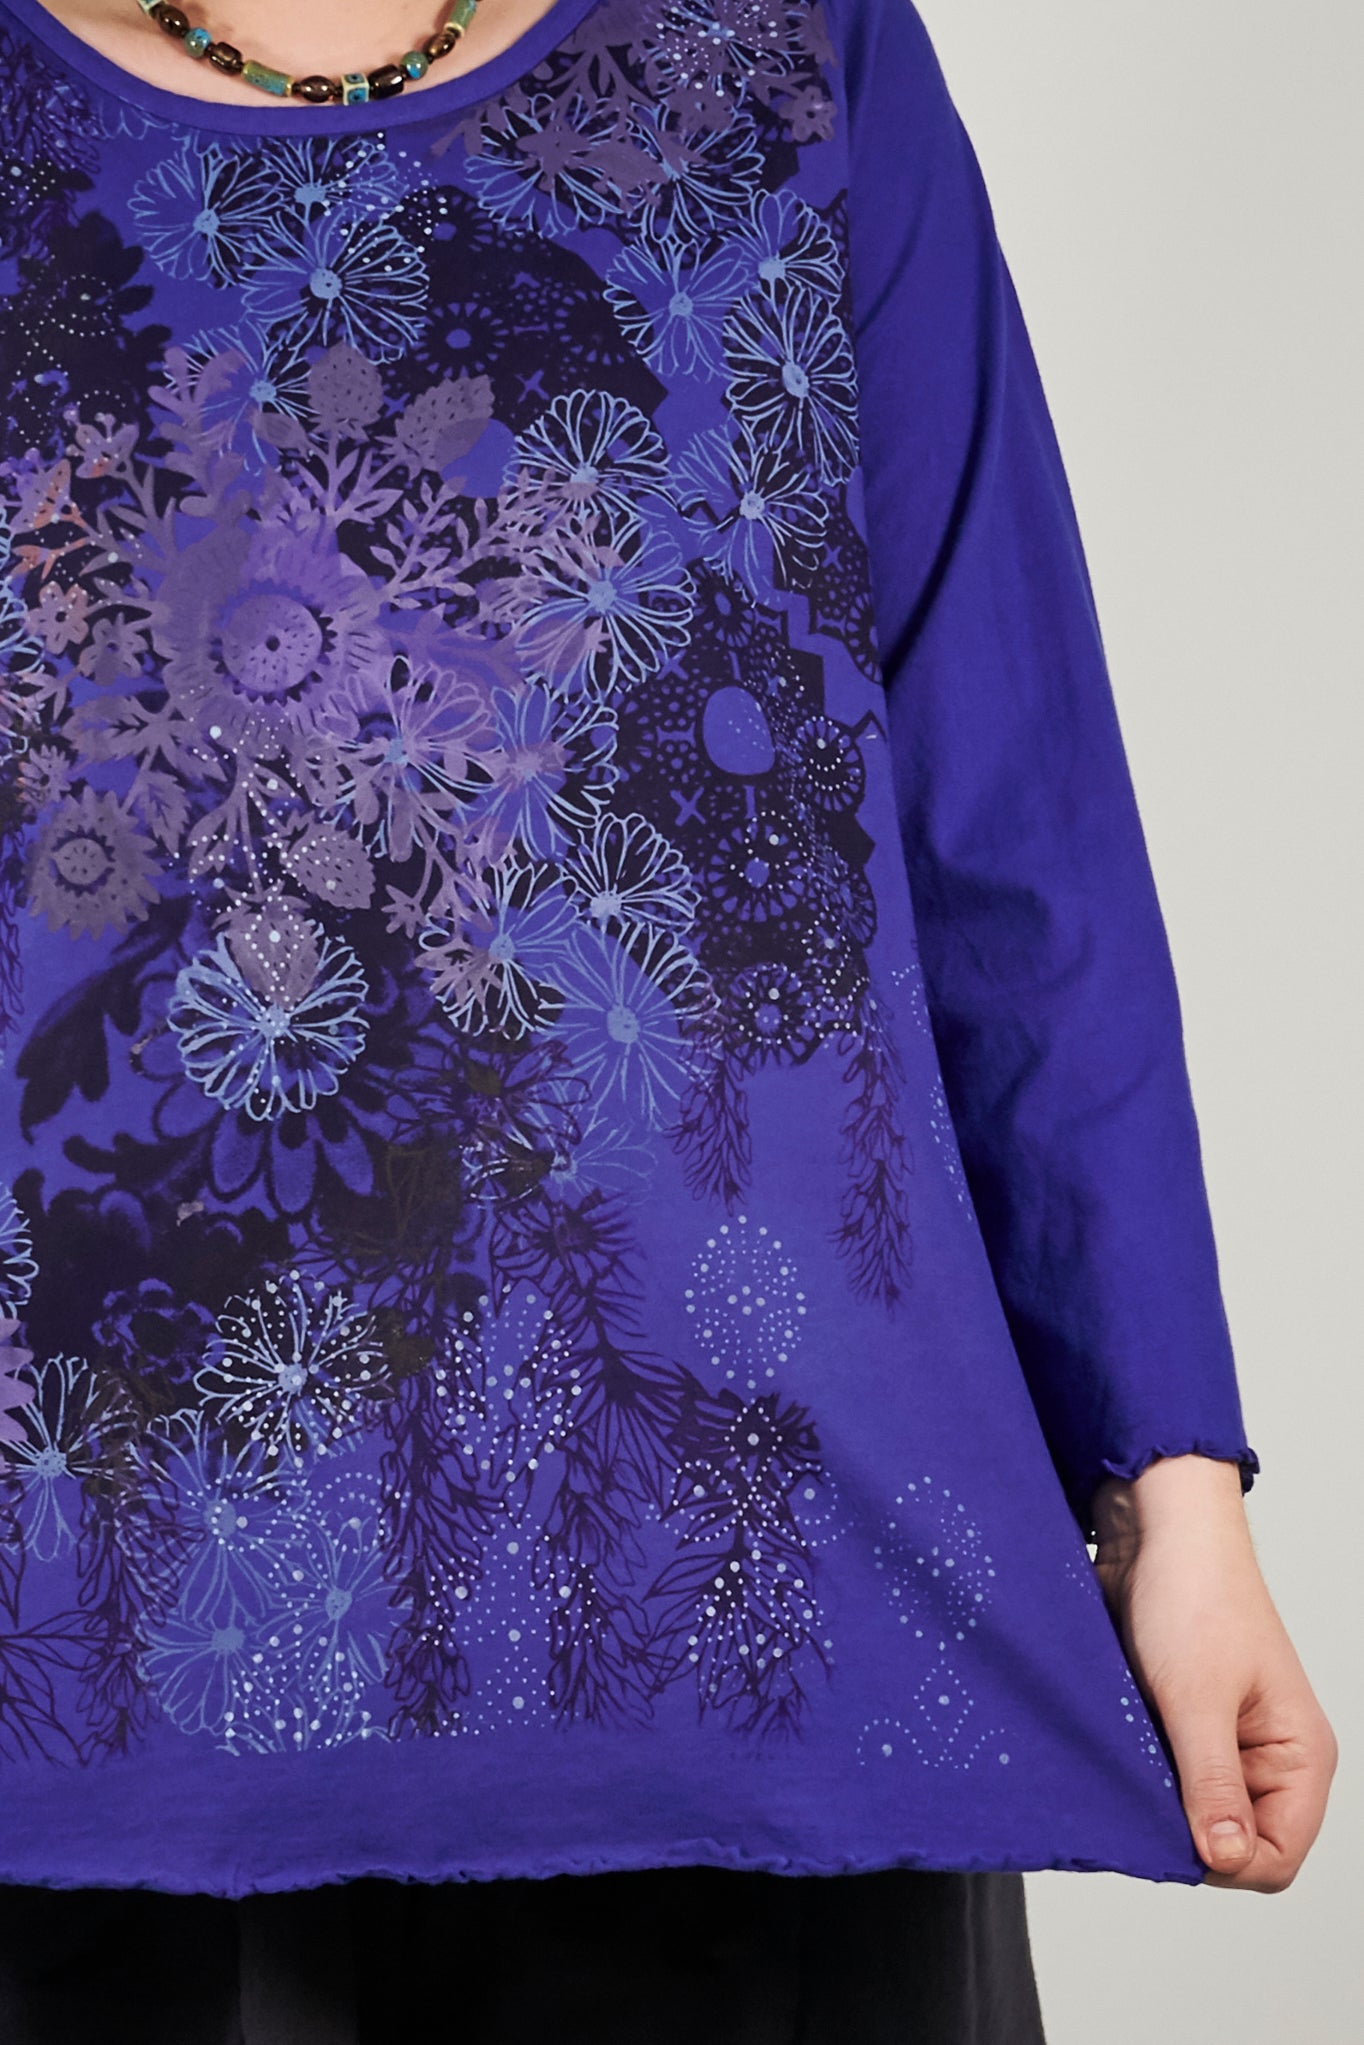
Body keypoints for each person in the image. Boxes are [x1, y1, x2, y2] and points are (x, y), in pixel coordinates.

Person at [0, 0, 1337, 2039]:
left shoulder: (794, 50)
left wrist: (1175, 1484)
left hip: (756, 1656)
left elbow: (1006, 802)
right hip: (76, 1673)